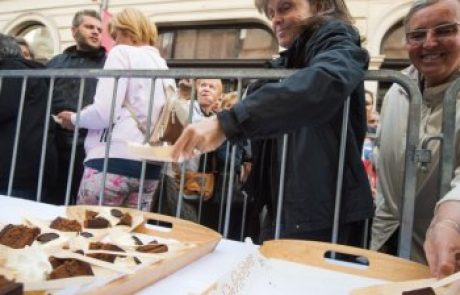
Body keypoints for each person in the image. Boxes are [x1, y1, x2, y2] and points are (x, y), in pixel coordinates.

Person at [172, 0, 373, 246]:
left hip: (323, 212)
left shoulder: (337, 37)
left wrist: (228, 122)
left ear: (320, 6)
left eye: (286, 7)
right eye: (271, 12)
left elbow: (325, 81)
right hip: (289, 206)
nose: (275, 18)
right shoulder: (292, 58)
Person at [58, 8, 174, 210]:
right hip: (150, 167)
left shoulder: (121, 53)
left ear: (126, 31)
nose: (113, 42)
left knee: (89, 231)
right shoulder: (162, 64)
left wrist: (74, 119)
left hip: (112, 160)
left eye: (115, 36)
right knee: (127, 235)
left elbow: (104, 112)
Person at [371, 0, 460, 264]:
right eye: (417, 35)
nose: (429, 43)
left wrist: (450, 222)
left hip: (445, 253)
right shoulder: (398, 91)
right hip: (386, 243)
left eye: (444, 30)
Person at [47, 9, 106, 205]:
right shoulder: (56, 63)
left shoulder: (110, 64)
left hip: (91, 145)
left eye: (99, 29)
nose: (96, 32)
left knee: (85, 208)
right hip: (54, 143)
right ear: (74, 31)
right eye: (89, 27)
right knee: (51, 201)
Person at [0, 33, 58, 200]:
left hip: (14, 171)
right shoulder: (31, 73)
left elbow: (4, 107)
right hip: (30, 169)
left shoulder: (11, 70)